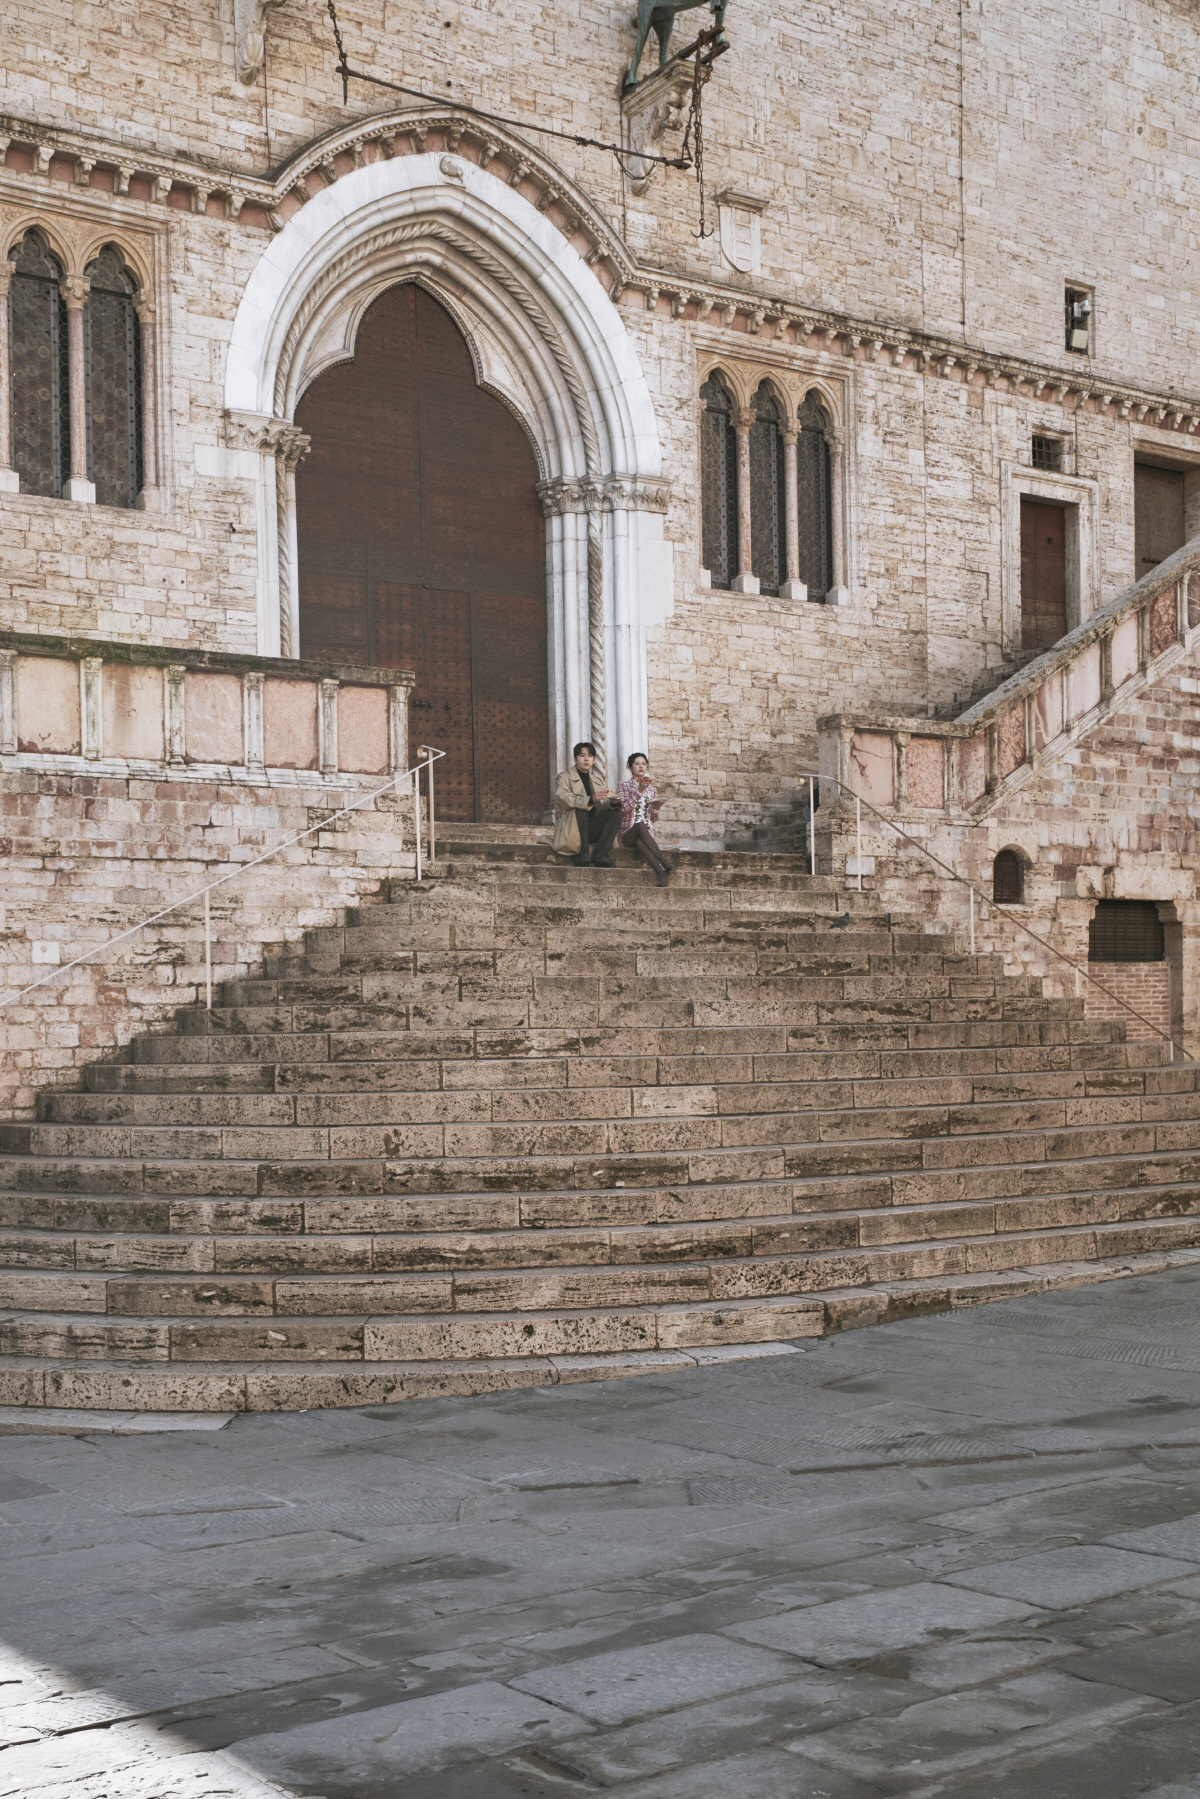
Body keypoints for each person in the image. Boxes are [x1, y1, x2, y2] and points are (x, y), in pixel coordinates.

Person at [553, 741, 622, 867]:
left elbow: (601, 805)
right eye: (582, 755)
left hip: (591, 828)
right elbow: (564, 799)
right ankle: (581, 857)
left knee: (616, 813)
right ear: (575, 759)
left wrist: (611, 802)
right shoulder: (563, 778)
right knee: (581, 808)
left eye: (590, 756)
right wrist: (589, 800)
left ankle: (601, 857)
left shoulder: (597, 780)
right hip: (572, 828)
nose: (586, 759)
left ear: (593, 760)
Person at [618, 752, 672, 886]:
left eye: (644, 764)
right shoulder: (623, 786)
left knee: (640, 841)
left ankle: (662, 875)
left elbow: (653, 818)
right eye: (637, 764)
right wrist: (639, 791)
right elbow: (623, 810)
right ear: (630, 767)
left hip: (646, 835)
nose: (641, 766)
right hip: (627, 833)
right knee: (639, 825)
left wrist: (656, 809)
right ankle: (665, 862)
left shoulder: (652, 789)